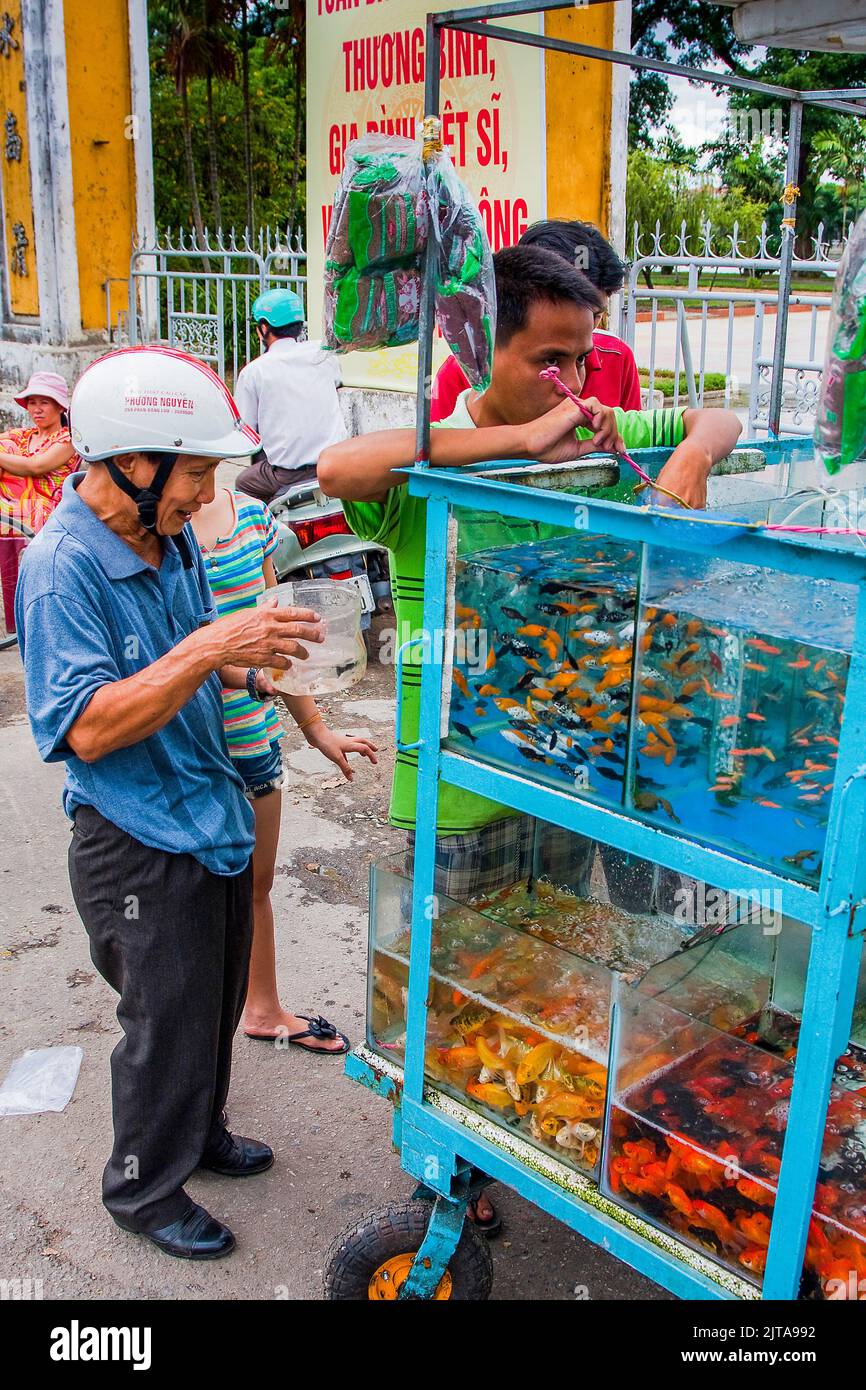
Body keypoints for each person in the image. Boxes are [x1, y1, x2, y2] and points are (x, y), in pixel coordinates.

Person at [318, 244, 742, 1233]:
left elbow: (721, 416)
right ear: (477, 348)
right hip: (457, 798)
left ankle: (516, 1115)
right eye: (549, 359)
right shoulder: (435, 457)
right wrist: (523, 439)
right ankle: (442, 1172)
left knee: (539, 972)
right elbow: (337, 466)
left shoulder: (594, 432)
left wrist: (685, 457)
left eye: (583, 358)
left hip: (565, 783)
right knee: (442, 981)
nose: (575, 380)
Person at [15, 345, 326, 1261]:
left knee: (215, 997)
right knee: (164, 1018)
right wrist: (207, 651)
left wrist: (242, 660)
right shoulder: (59, 567)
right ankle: (144, 1186)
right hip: (136, 836)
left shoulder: (169, 531)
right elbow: (85, 729)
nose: (206, 491)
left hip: (208, 806)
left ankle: (200, 1132)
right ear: (131, 462)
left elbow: (187, 639)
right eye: (195, 471)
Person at [190, 483, 377, 1050]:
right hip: (185, 746)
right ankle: (186, 1031)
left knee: (255, 884)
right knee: (183, 895)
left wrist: (317, 730)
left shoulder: (250, 521)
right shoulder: (155, 532)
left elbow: (283, 641)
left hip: (251, 738)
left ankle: (263, 1007)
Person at [431, 220, 641, 423]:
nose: (573, 385)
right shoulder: (461, 373)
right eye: (550, 360)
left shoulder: (618, 358)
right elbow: (430, 447)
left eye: (596, 316)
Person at [234, 288, 347, 503]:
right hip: (333, 465)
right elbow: (336, 383)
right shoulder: (323, 354)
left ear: (264, 327)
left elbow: (245, 429)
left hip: (287, 474)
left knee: (243, 483)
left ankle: (263, 529)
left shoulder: (254, 372)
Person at [0, 371, 77, 531]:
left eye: (44, 403)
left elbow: (35, 466)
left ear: (60, 407)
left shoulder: (68, 439)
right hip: (10, 519)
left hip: (48, 524)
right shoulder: (19, 436)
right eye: (32, 403)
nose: (37, 409)